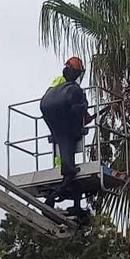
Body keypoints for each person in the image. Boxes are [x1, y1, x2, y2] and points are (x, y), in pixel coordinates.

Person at [39, 56, 91, 206]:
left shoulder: (59, 85)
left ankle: (64, 167)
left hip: (52, 114)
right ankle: (65, 168)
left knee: (61, 139)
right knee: (66, 138)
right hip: (62, 115)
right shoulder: (67, 86)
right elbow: (76, 106)